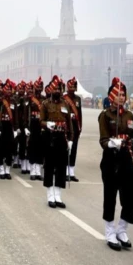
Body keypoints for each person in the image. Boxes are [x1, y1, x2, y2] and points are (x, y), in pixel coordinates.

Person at [98, 77, 133, 251]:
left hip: (126, 159)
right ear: (112, 96)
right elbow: (103, 140)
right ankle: (109, 232)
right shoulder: (105, 115)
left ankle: (121, 230)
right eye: (118, 94)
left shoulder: (129, 115)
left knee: (130, 199)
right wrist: (113, 143)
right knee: (110, 197)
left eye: (123, 94)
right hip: (111, 160)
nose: (122, 97)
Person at [40, 75, 73, 208]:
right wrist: (46, 124)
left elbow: (69, 123)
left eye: (59, 89)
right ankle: (50, 195)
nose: (57, 91)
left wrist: (71, 139)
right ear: (51, 90)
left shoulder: (65, 104)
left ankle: (58, 195)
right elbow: (40, 121)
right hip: (50, 137)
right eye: (55, 89)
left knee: (60, 166)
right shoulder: (45, 104)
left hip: (61, 138)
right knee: (49, 166)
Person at [63, 77, 82, 182]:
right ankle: (65, 171)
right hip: (66, 126)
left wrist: (80, 127)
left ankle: (71, 172)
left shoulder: (78, 99)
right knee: (66, 149)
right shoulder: (64, 98)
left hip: (75, 126)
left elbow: (80, 114)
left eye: (74, 87)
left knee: (74, 149)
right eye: (71, 87)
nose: (72, 88)